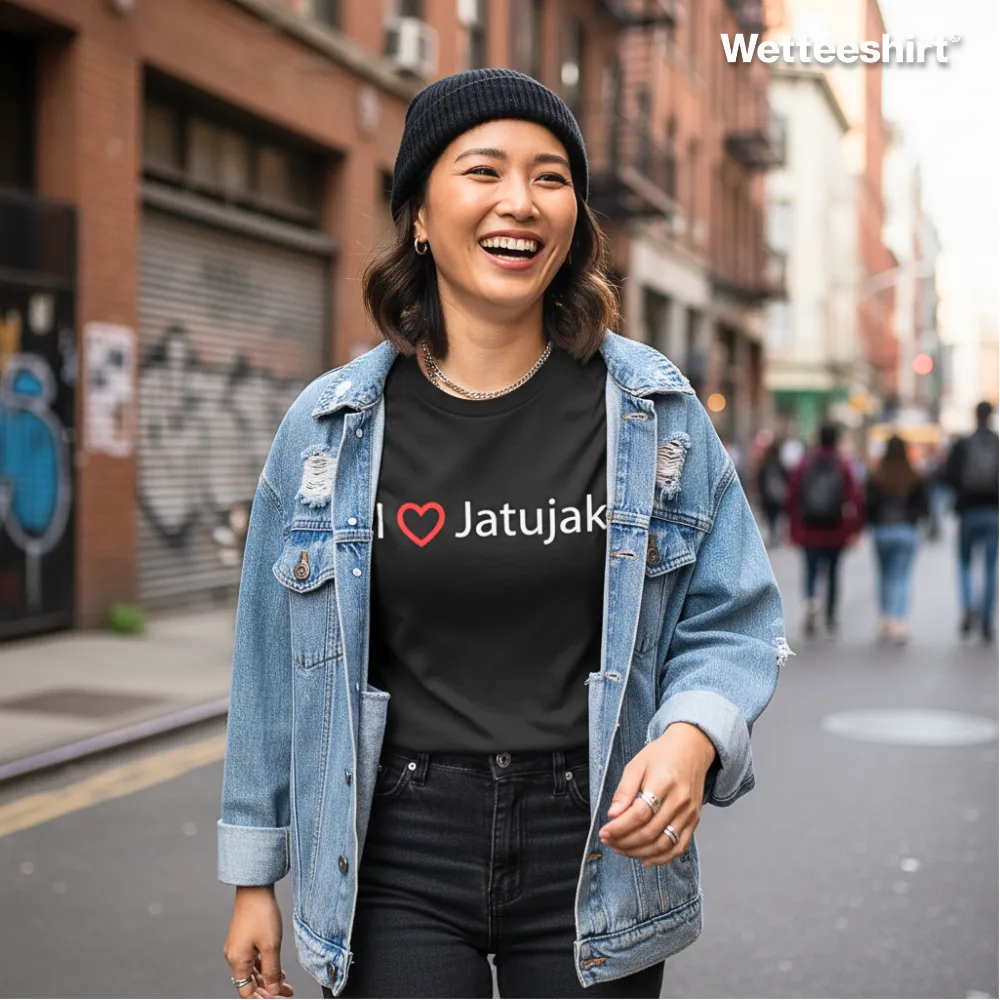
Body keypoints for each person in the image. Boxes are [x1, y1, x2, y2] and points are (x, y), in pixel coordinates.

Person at [217, 69, 785, 1000]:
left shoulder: (654, 411)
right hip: (394, 845)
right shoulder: (329, 429)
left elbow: (737, 616)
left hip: (597, 833)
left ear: (574, 219)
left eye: (550, 176)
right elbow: (269, 665)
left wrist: (692, 737)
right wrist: (252, 877)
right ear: (420, 217)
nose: (519, 202)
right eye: (482, 170)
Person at [786, 423, 863, 638]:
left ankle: (811, 602)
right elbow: (854, 498)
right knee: (832, 573)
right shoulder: (843, 464)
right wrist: (854, 529)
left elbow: (792, 496)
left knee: (810, 569)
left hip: (809, 528)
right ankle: (829, 617)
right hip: (835, 530)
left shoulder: (804, 463)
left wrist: (791, 526)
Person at [865, 435, 928, 644]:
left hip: (882, 531)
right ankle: (900, 622)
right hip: (906, 530)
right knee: (901, 576)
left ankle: (886, 619)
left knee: (884, 576)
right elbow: (923, 507)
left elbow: (868, 506)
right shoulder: (914, 476)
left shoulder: (877, 476)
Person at [944, 401, 999, 641]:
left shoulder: (963, 444)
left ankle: (968, 604)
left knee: (965, 563)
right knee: (990, 568)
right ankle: (986, 619)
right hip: (994, 511)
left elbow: (949, 477)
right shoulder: (997, 443)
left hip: (968, 511)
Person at [756, 440, 789, 546]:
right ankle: (774, 533)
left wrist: (760, 492)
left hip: (766, 494)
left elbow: (760, 478)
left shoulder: (764, 463)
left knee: (770, 515)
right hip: (778, 494)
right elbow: (786, 478)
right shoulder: (780, 464)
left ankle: (772, 533)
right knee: (776, 515)